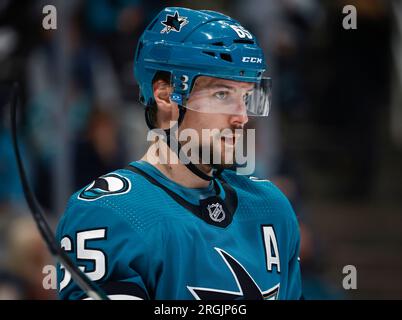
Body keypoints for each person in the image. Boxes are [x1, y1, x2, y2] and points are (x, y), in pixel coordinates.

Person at [56, 7, 303, 300]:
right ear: (165, 96)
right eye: (222, 94)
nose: (241, 117)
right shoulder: (108, 213)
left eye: (246, 97)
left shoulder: (271, 207)